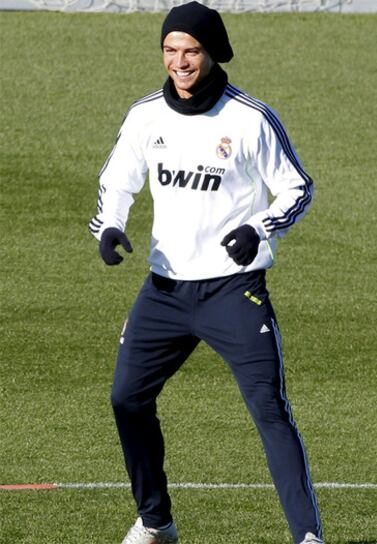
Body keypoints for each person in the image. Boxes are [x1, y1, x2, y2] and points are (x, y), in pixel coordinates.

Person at [89, 2, 324, 543]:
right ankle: (156, 523)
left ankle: (309, 537)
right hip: (164, 291)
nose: (180, 61)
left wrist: (260, 229)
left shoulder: (250, 118)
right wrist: (108, 228)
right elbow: (117, 181)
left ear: (212, 52)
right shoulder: (145, 116)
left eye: (191, 50)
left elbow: (297, 187)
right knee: (126, 398)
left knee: (268, 407)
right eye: (170, 50)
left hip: (232, 291)